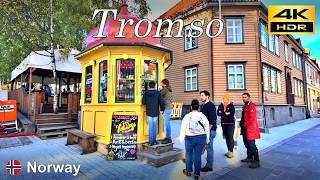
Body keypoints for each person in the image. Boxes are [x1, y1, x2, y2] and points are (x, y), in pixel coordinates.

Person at [179, 99, 210, 180]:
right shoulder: (203, 116)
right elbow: (207, 128)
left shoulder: (187, 116)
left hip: (189, 138)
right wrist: (207, 139)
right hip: (201, 137)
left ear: (191, 107)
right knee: (197, 156)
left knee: (188, 154)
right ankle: (197, 174)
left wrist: (181, 137)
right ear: (198, 107)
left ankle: (188, 171)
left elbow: (183, 128)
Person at [240, 93, 261, 168]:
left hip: (250, 129)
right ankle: (249, 157)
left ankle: (256, 161)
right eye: (243, 97)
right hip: (244, 129)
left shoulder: (251, 106)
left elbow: (251, 119)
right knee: (246, 144)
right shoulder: (245, 106)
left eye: (245, 97)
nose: (244, 98)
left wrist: (244, 125)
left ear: (249, 97)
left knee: (252, 145)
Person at [142, 81, 165, 146]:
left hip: (149, 112)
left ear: (149, 86)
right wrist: (162, 109)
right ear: (155, 86)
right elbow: (162, 102)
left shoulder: (146, 93)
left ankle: (150, 141)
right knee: (154, 127)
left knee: (150, 127)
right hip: (155, 112)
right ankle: (154, 141)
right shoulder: (158, 93)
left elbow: (143, 102)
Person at [199, 90, 217, 172]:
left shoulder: (211, 106)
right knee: (201, 147)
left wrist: (207, 132)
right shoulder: (203, 105)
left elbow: (212, 121)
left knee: (209, 148)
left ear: (207, 96)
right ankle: (193, 161)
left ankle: (209, 166)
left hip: (210, 131)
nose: (201, 97)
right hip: (204, 131)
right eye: (201, 95)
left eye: (203, 95)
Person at [217, 93, 235, 158]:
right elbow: (218, 113)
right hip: (223, 124)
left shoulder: (231, 105)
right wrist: (225, 113)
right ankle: (229, 151)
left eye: (225, 98)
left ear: (228, 99)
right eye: (223, 98)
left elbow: (231, 114)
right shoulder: (221, 105)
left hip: (230, 124)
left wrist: (222, 113)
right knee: (226, 138)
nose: (224, 100)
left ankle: (231, 152)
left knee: (230, 137)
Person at [160, 79, 173, 144]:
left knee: (167, 123)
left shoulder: (165, 89)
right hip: (169, 107)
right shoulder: (168, 88)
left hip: (167, 107)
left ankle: (168, 138)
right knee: (167, 123)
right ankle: (168, 137)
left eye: (161, 83)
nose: (160, 84)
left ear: (164, 84)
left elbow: (159, 94)